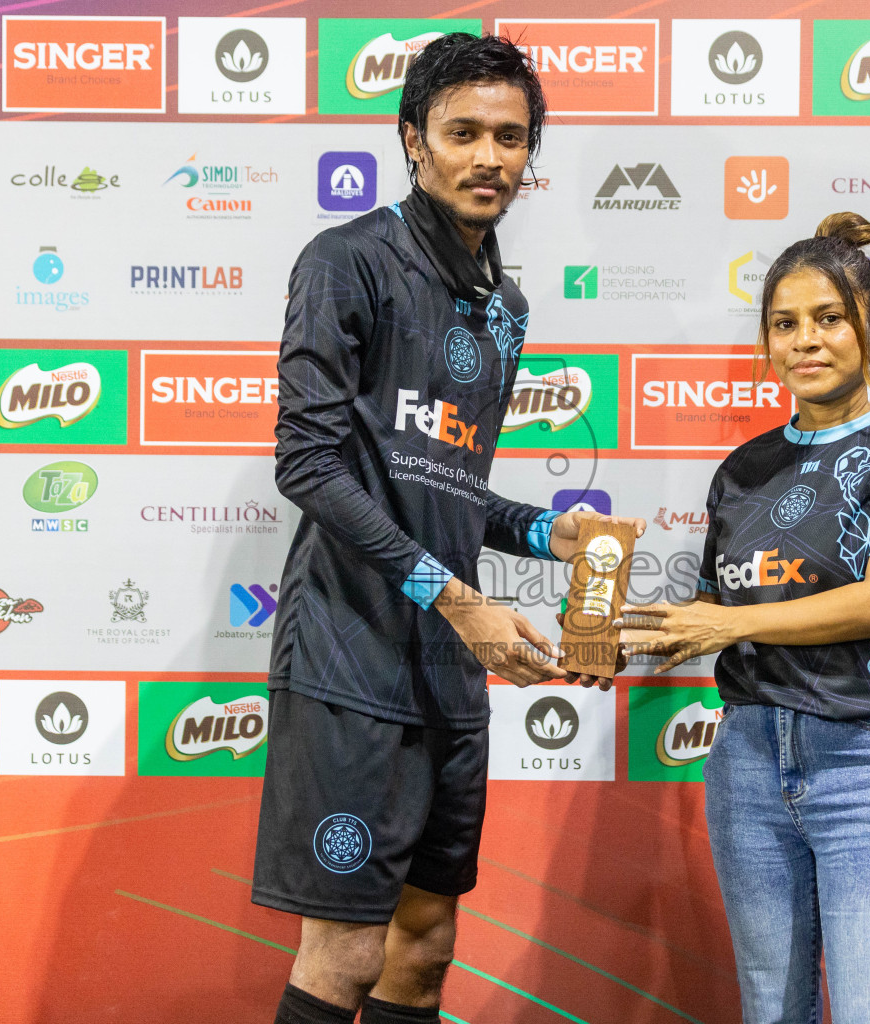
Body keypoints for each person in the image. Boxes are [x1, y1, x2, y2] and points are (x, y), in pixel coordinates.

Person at [253, 33, 642, 1024]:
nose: (489, 158)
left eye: (510, 138)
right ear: (412, 139)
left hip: (449, 671)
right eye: (463, 132)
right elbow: (309, 465)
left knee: (423, 955)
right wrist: (457, 597)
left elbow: (445, 486)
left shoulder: (504, 306)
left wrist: (542, 533)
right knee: (343, 953)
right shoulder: (346, 262)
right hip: (352, 664)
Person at [620, 212, 870, 1024]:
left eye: (829, 319)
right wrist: (646, 635)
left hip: (868, 761)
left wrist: (725, 628)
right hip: (748, 760)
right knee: (773, 1012)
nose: (806, 341)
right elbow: (722, 605)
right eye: (785, 324)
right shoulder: (742, 469)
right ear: (766, 345)